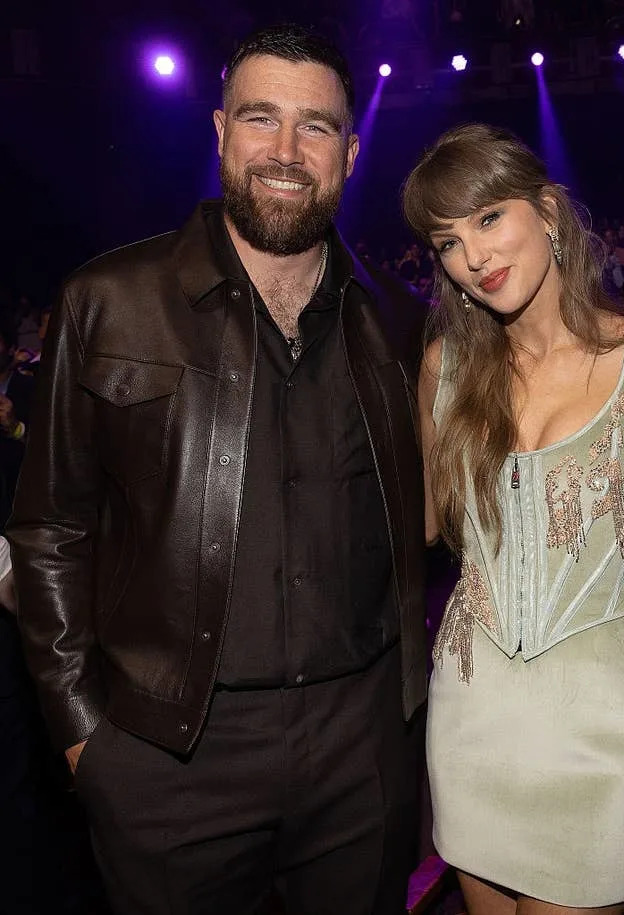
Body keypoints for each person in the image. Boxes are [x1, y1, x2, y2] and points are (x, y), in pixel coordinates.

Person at [8, 24, 427, 915]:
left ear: (350, 153)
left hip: (361, 752)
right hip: (169, 757)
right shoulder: (107, 300)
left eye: (315, 127)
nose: (284, 150)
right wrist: (83, 734)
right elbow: (50, 530)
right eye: (259, 118)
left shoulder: (393, 317)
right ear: (219, 129)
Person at [402, 123, 624, 914]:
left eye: (490, 218)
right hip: (473, 714)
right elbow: (420, 526)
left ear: (548, 212)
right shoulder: (447, 367)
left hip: (602, 726)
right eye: (448, 240)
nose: (476, 255)